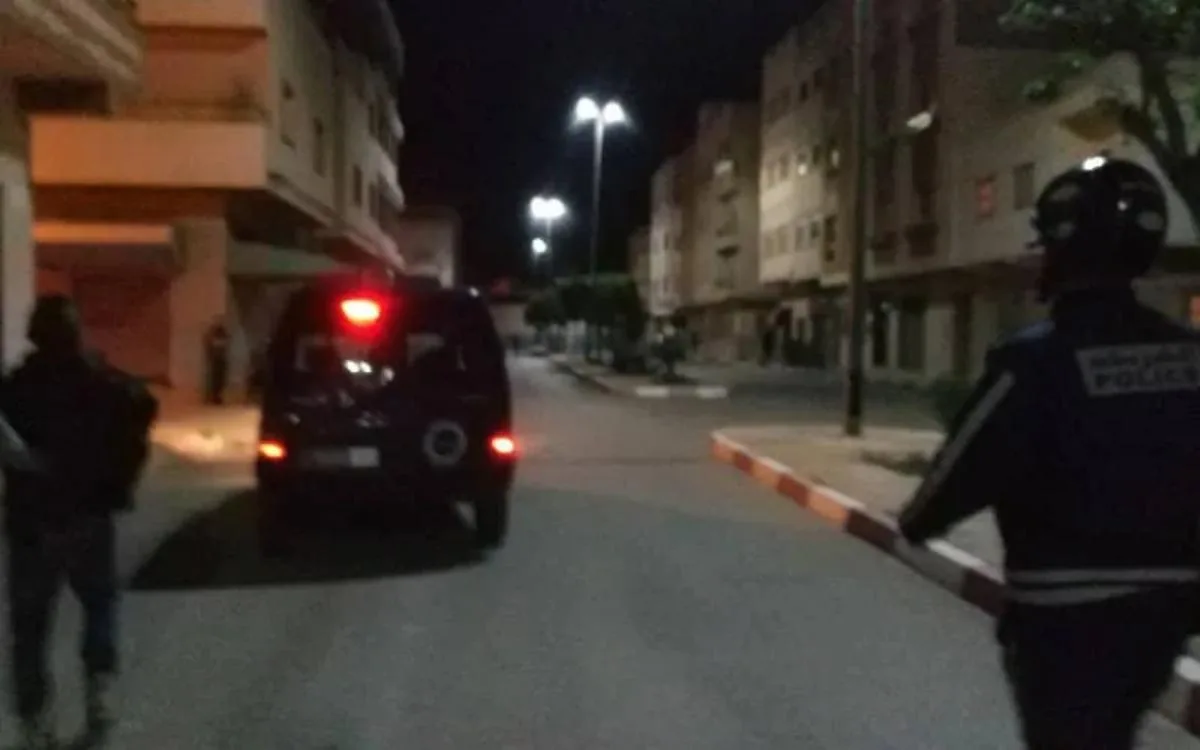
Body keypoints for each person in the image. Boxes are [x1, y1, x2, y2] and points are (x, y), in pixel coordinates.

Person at [897, 157, 1200, 749]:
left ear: (1062, 252)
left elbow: (963, 468)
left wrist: (919, 521)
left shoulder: (1033, 361)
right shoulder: (1190, 355)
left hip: (1065, 613)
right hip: (1170, 607)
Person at [1, 295, 158, 749]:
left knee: (31, 626)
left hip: (33, 522)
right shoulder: (99, 380)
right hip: (89, 514)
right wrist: (118, 473)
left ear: (34, 335)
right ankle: (99, 691)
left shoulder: (17, 388)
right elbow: (143, 405)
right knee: (99, 605)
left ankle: (36, 722)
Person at [203, 319, 230, 405]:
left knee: (218, 379)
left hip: (219, 361)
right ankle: (213, 396)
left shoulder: (221, 338)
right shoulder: (214, 338)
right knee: (214, 379)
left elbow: (224, 346)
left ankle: (216, 396)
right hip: (215, 361)